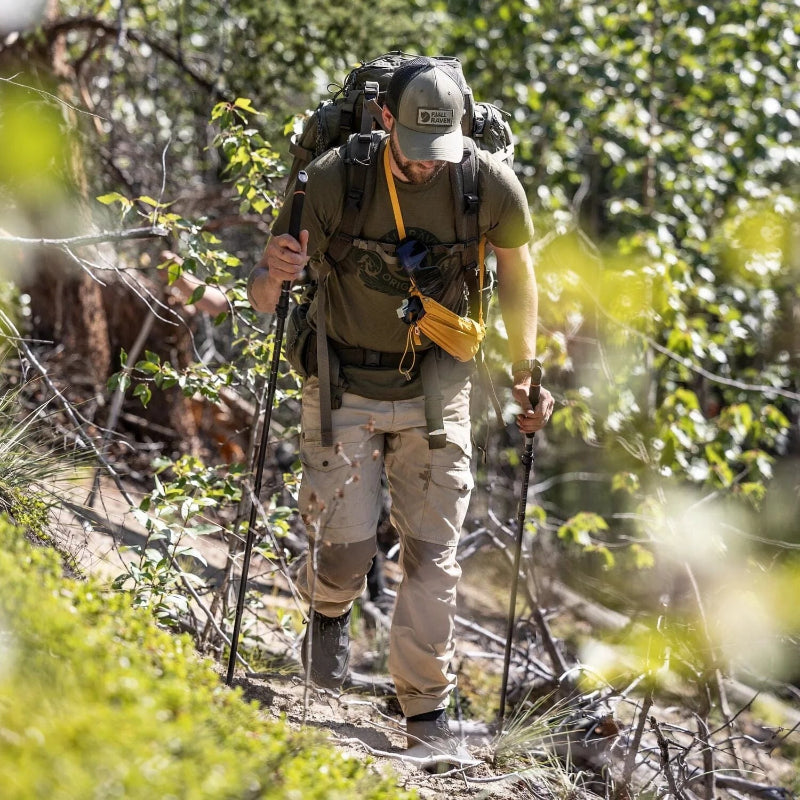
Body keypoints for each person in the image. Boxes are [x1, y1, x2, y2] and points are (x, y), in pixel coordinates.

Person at [247, 57, 554, 765]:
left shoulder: (485, 184)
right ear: (384, 120)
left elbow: (518, 273)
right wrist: (274, 275)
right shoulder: (332, 179)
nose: (424, 169)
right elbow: (267, 293)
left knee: (432, 556)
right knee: (347, 549)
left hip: (439, 389)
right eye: (412, 154)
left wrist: (526, 370)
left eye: (437, 155)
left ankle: (426, 714)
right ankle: (329, 611)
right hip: (344, 379)